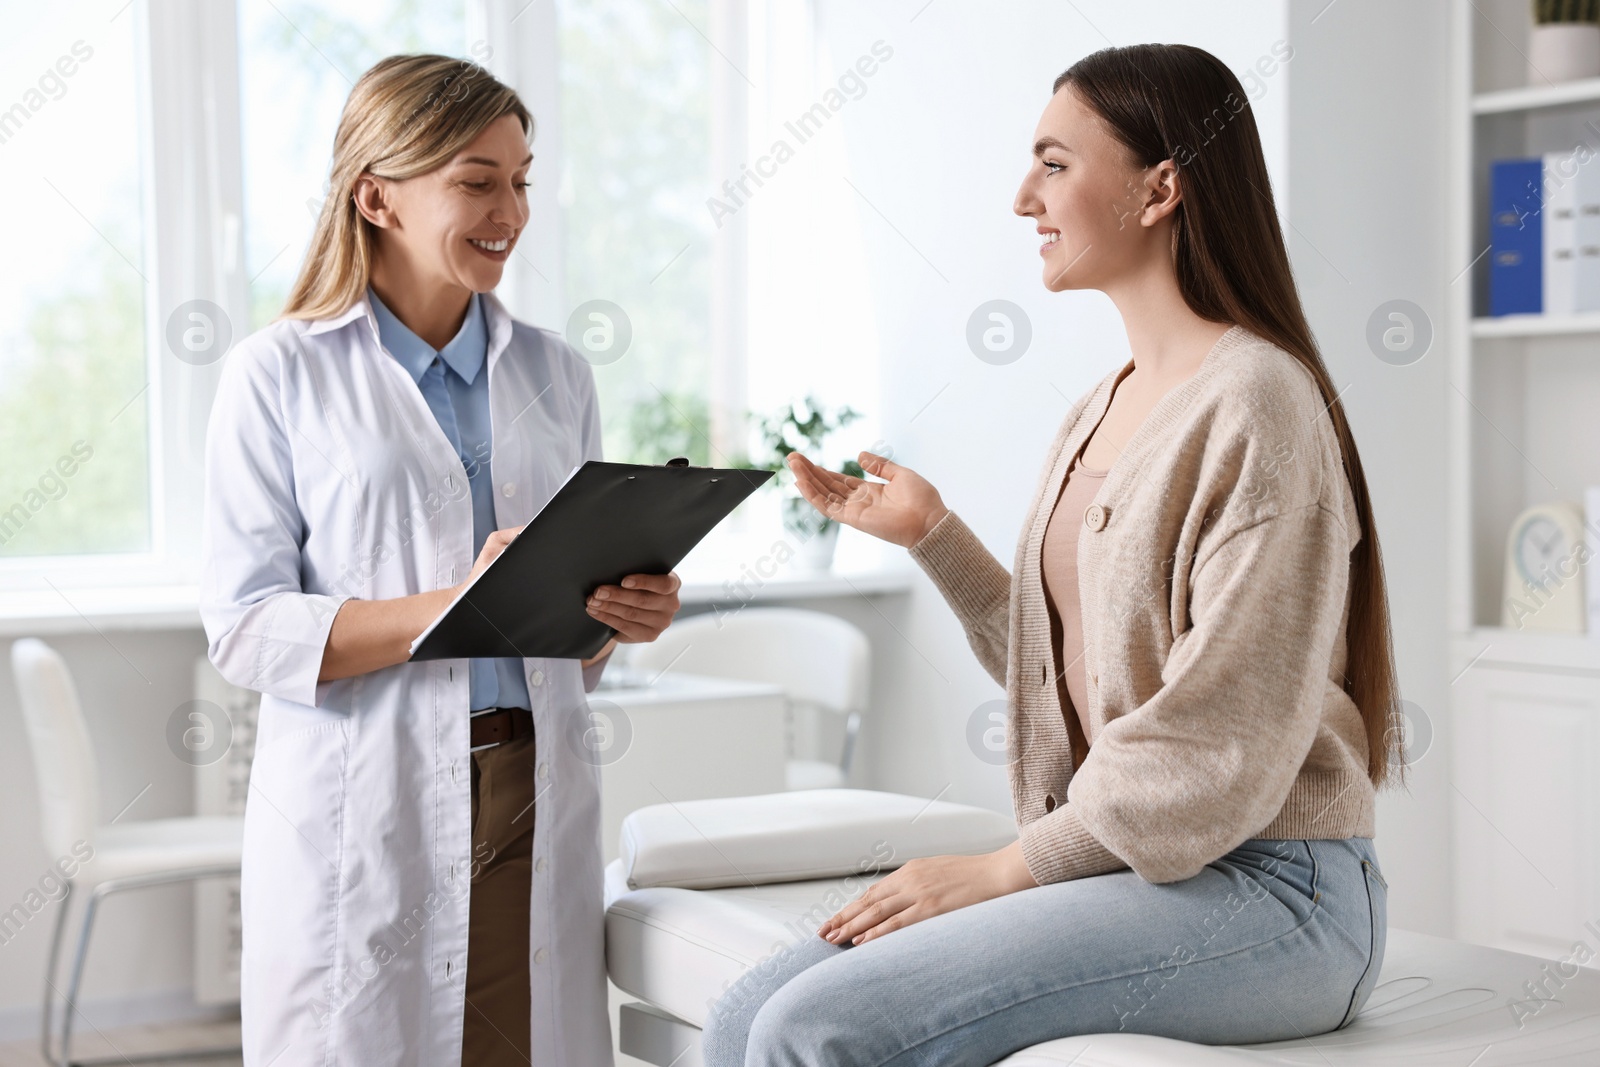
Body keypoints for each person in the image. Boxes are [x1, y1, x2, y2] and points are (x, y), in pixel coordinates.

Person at [701, 42, 1402, 1066]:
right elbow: (1065, 663)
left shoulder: (1259, 403)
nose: (1022, 196)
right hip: (1142, 869)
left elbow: (1219, 733)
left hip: (1277, 891)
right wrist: (934, 539)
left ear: (1161, 186)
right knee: (739, 1020)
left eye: (1054, 162)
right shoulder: (1100, 406)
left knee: (818, 1027)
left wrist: (1006, 866)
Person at [199, 54, 682, 1066]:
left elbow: (567, 646)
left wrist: (614, 614)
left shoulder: (556, 371)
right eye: (476, 180)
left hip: (528, 776)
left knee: (515, 1047)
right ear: (377, 195)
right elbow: (245, 625)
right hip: (367, 791)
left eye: (521, 180)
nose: (510, 209)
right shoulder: (277, 375)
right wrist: (451, 600)